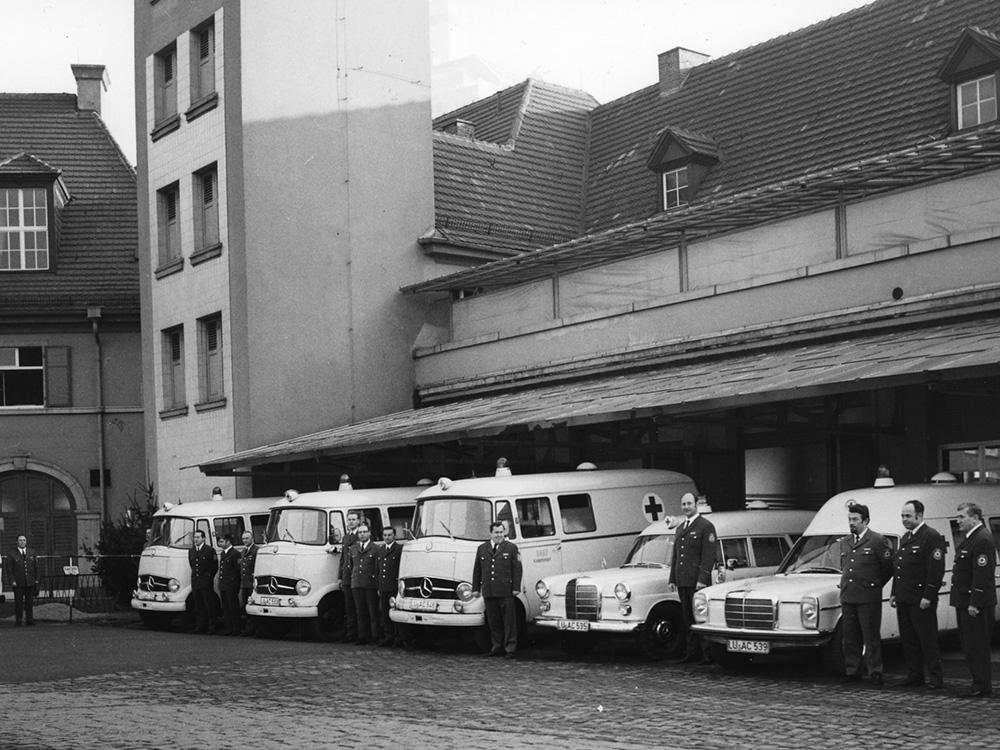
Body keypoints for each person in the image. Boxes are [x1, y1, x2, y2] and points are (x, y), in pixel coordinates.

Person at [890, 500, 945, 688]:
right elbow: (900, 569)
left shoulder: (931, 537)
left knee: (927, 639)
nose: (904, 519)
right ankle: (915, 675)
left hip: (921, 599)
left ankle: (936, 677)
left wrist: (928, 596)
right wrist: (894, 593)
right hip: (905, 597)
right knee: (909, 639)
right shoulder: (906, 538)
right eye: (902, 516)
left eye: (908, 515)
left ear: (919, 516)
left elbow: (935, 570)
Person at [839, 502, 893, 685]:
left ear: (866, 520)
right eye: (849, 519)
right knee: (850, 637)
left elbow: (887, 568)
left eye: (855, 519)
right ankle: (852, 670)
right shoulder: (845, 542)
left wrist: (874, 585)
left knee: (870, 636)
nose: (851, 523)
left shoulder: (877, 540)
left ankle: (875, 671)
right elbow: (846, 567)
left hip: (868, 596)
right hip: (849, 596)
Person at [950, 502, 996, 697]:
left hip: (974, 602)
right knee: (969, 645)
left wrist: (975, 602)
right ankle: (977, 681)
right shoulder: (971, 539)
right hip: (964, 600)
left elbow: (982, 574)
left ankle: (982, 685)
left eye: (962, 517)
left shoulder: (982, 539)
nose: (958, 521)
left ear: (975, 517)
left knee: (977, 645)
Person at [668, 492, 718, 664]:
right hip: (683, 579)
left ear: (696, 504)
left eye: (689, 503)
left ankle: (707, 654)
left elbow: (708, 555)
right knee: (687, 616)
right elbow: (676, 556)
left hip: (697, 581)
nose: (686, 507)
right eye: (683, 504)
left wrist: (702, 579)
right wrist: (672, 578)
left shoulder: (705, 526)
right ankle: (692, 652)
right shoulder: (680, 528)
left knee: (701, 617)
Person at [472, 521, 522, 658]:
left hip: (505, 590)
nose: (499, 535)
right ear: (491, 533)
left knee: (509, 622)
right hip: (489, 591)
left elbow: (517, 569)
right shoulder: (482, 548)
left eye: (501, 532)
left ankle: (510, 649)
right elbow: (477, 570)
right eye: (496, 532)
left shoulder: (511, 548)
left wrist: (516, 587)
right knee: (494, 622)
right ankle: (496, 647)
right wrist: (475, 588)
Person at [348, 523, 380, 645]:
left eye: (364, 532)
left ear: (369, 533)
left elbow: (377, 567)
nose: (362, 534)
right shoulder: (353, 549)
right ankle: (362, 636)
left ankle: (375, 636)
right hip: (357, 583)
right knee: (360, 611)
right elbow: (351, 565)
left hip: (370, 583)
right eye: (360, 532)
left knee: (372, 611)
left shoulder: (375, 548)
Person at [4, 535, 39, 627]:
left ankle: (29, 620)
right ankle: (18, 620)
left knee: (29, 602)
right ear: (17, 542)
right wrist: (12, 580)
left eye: (24, 540)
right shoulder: (11, 554)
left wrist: (36, 580)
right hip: (18, 582)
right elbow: (9, 569)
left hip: (30, 581)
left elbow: (36, 568)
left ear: (26, 542)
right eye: (20, 540)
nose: (22, 542)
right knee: (18, 603)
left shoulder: (32, 552)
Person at [376, 526, 403, 647]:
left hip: (394, 586)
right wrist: (378, 586)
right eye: (385, 535)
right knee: (385, 612)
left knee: (395, 613)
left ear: (394, 536)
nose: (387, 537)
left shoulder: (399, 549)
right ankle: (389, 636)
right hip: (383, 586)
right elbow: (378, 569)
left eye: (389, 535)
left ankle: (398, 637)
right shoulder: (380, 550)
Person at [188, 530, 218, 634]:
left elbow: (214, 566)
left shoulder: (210, 550)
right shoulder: (191, 551)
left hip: (206, 582)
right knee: (198, 605)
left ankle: (212, 627)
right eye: (195, 537)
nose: (196, 539)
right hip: (196, 582)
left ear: (203, 538)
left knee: (209, 605)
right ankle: (200, 626)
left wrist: (208, 577)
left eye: (198, 537)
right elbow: (192, 565)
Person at [339, 510, 361, 642]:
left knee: (359, 607)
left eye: (353, 519)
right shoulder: (346, 537)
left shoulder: (361, 535)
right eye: (349, 519)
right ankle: (350, 634)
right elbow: (343, 559)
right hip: (347, 576)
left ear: (358, 521)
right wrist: (340, 576)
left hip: (357, 576)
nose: (351, 522)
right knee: (349, 607)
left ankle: (361, 634)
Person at [217, 534, 242, 636]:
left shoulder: (235, 553)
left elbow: (237, 570)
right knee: (226, 608)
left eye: (222, 541)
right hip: (224, 585)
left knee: (233, 607)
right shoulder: (223, 553)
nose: (220, 544)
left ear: (228, 542)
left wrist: (234, 584)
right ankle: (229, 628)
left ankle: (236, 629)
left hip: (231, 585)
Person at [239, 530, 258, 635]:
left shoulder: (256, 550)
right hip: (244, 584)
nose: (245, 541)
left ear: (252, 539)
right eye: (243, 539)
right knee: (246, 607)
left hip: (252, 584)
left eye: (247, 538)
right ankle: (248, 629)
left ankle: (254, 629)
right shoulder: (243, 552)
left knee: (253, 607)